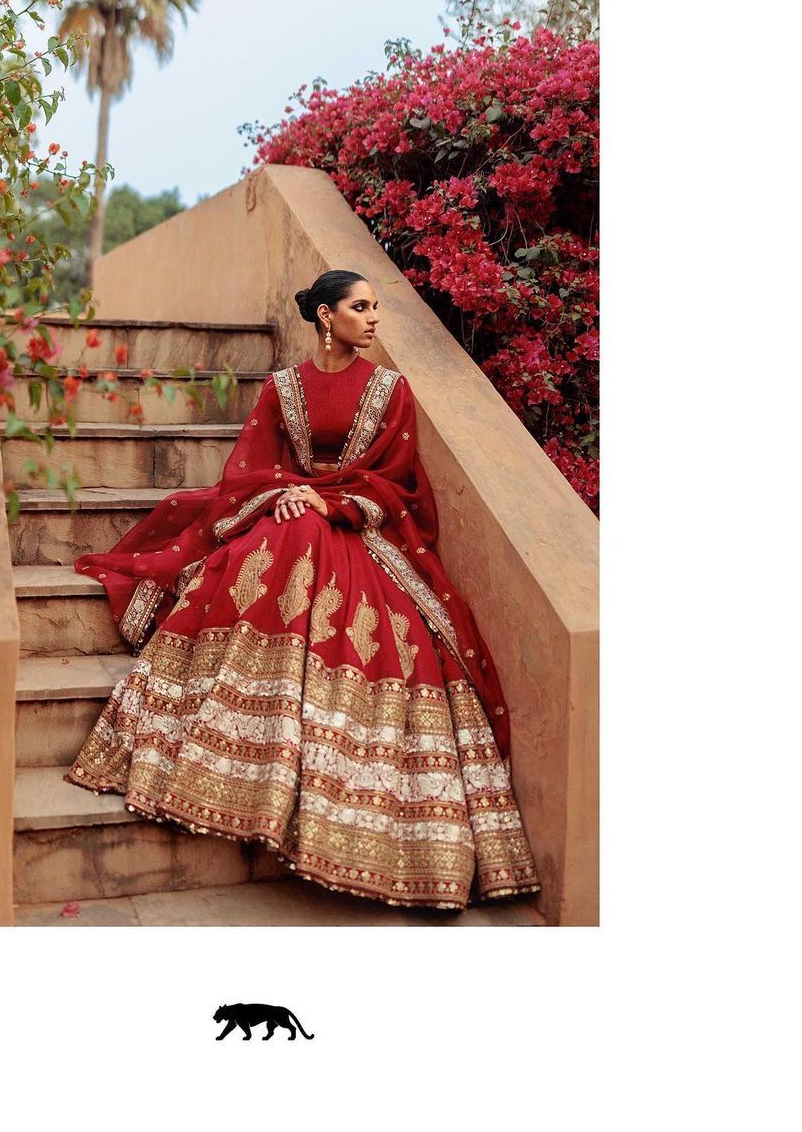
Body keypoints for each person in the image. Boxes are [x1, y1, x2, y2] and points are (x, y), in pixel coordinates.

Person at [66, 269, 540, 911]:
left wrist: (328, 498)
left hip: (353, 526)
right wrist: (286, 491)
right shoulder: (282, 388)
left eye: (376, 308)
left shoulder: (390, 390)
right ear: (325, 315)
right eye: (360, 307)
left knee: (313, 544)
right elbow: (249, 467)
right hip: (288, 512)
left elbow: (398, 483)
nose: (373, 320)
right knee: (280, 540)